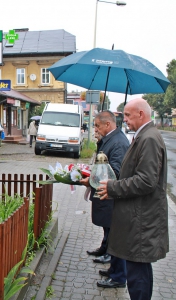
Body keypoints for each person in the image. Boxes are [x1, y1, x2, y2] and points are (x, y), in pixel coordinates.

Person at [97, 99, 169, 299]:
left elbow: (146, 181)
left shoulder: (149, 138)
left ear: (141, 114)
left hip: (142, 221)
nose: (125, 120)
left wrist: (113, 187)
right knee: (138, 271)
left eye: (127, 115)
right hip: (139, 217)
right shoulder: (143, 136)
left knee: (138, 275)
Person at [80, 110, 129, 288]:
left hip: (111, 197)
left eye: (98, 126)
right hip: (106, 195)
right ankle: (113, 270)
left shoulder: (118, 143)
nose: (96, 129)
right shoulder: (110, 140)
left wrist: (91, 181)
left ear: (108, 125)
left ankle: (118, 277)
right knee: (111, 235)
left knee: (116, 238)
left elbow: (114, 172)